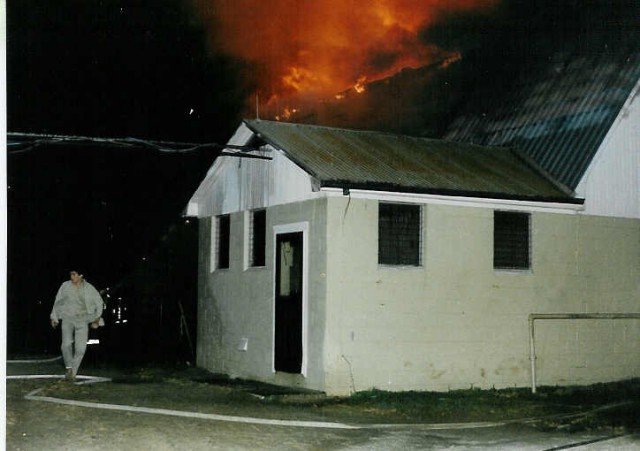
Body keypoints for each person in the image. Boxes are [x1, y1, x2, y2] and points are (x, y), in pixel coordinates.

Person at [50, 269, 104, 381]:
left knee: (80, 348)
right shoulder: (65, 286)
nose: (71, 277)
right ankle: (69, 367)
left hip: (83, 319)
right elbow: (58, 301)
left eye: (74, 274)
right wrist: (54, 317)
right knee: (66, 344)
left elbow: (99, 303)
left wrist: (96, 319)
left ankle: (73, 373)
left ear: (81, 275)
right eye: (70, 274)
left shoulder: (89, 288)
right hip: (67, 317)